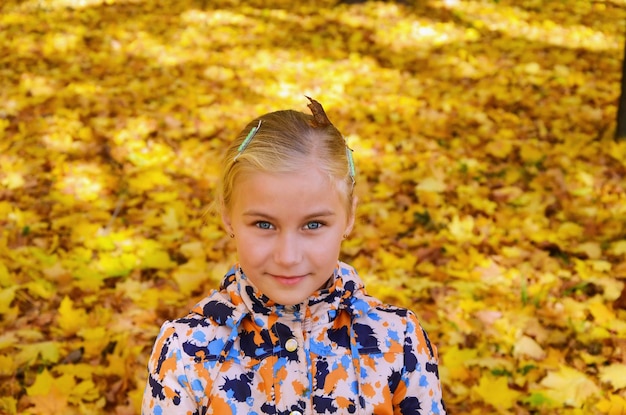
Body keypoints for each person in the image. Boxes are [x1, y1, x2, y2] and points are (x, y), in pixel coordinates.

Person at [142, 97, 446, 415]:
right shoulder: (186, 352)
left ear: (349, 217)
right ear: (228, 216)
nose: (288, 257)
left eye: (313, 225)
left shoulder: (398, 344)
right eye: (264, 224)